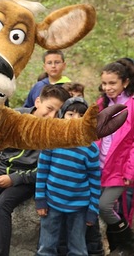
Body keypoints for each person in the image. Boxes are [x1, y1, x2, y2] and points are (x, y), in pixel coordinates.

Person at [0, 84, 70, 256]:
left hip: (24, 180)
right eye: (49, 108)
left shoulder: (55, 133)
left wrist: (14, 179)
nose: (52, 116)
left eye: (57, 112)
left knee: (1, 207)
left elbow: (44, 169)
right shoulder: (15, 117)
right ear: (38, 102)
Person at [35, 97, 102, 256]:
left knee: (78, 248)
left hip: (80, 206)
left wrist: (93, 209)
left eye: (81, 116)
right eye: (70, 114)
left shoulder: (90, 148)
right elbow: (42, 171)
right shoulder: (52, 140)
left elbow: (94, 181)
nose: (75, 119)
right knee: (46, 246)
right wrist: (40, 199)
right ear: (62, 115)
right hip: (52, 203)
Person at [96, 58, 134, 254]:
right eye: (105, 83)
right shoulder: (101, 104)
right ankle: (114, 246)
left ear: (125, 82)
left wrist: (130, 171)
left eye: (112, 83)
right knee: (102, 208)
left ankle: (128, 243)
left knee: (104, 206)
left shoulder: (132, 106)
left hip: (120, 169)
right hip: (98, 166)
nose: (107, 87)